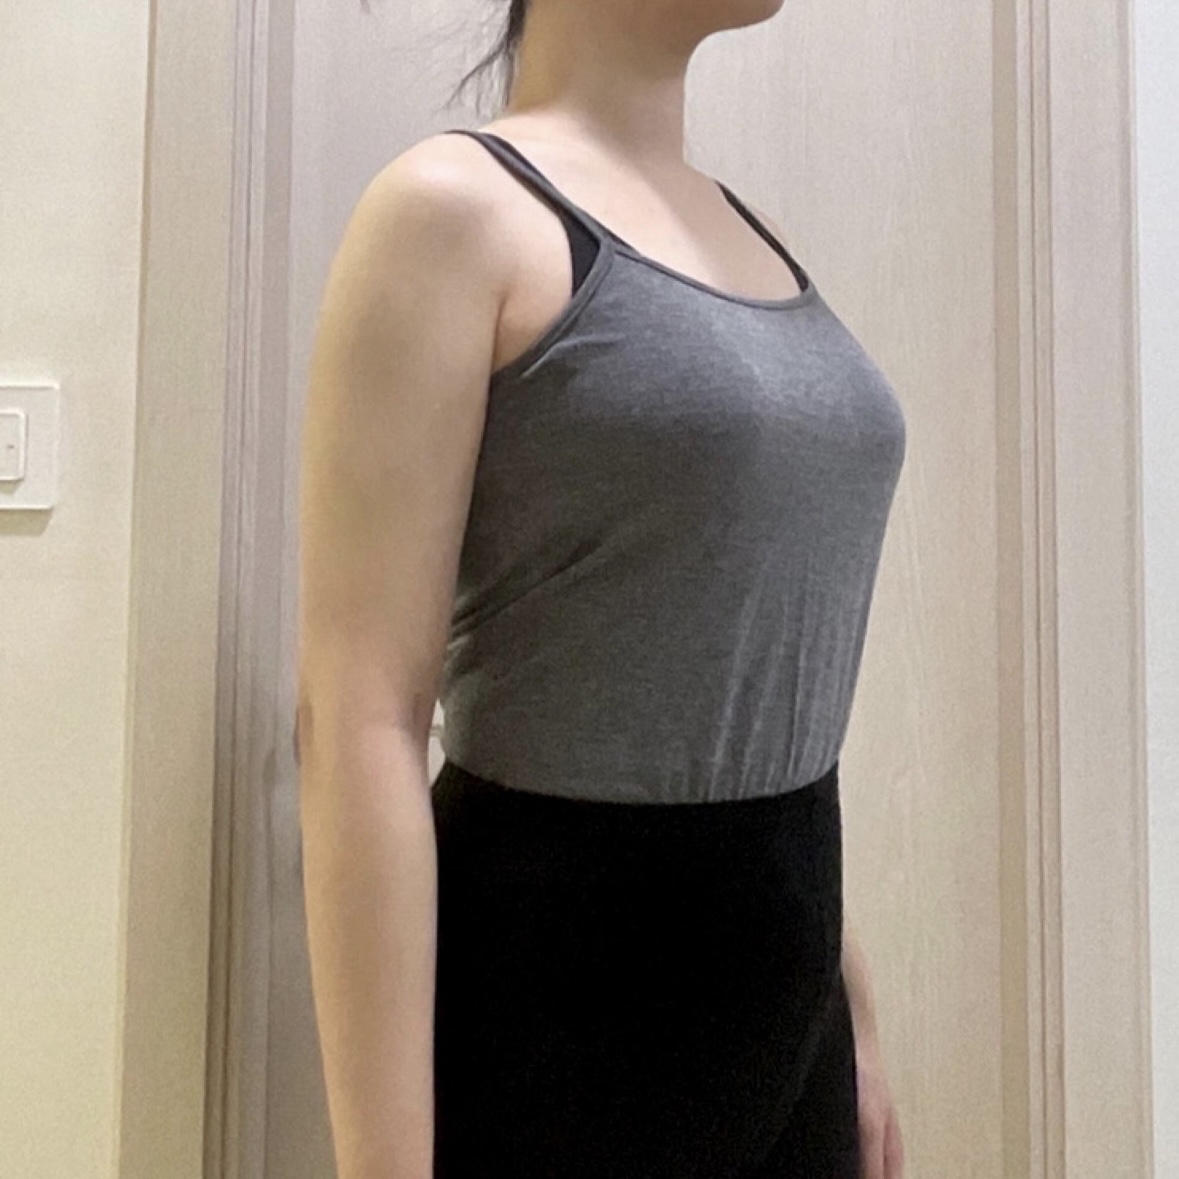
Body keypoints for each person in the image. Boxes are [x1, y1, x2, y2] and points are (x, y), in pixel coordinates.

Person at [296, 0, 908, 1176]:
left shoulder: (751, 232)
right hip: (567, 1012)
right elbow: (356, 718)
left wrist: (851, 1009)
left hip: (791, 1006)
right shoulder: (453, 212)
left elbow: (745, 680)